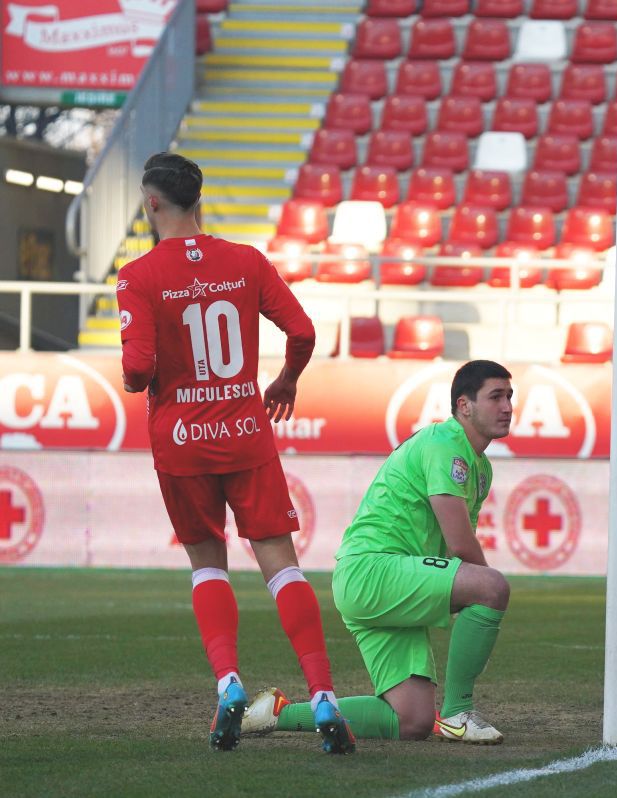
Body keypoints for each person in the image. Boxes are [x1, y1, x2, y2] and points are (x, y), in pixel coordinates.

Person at [117, 152, 354, 754]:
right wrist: (286, 381)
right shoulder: (245, 261)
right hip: (246, 434)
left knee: (208, 567)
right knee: (283, 564)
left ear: (152, 204)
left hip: (182, 446)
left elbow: (140, 370)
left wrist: (136, 374)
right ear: (198, 201)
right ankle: (324, 693)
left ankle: (228, 684)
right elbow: (301, 332)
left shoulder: (138, 275)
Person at [241, 360, 513, 744]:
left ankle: (275, 715)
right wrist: (481, 590)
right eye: (496, 397)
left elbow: (454, 549)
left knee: (412, 721)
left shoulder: (480, 467)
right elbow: (459, 542)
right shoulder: (445, 443)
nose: (507, 407)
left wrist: (471, 589)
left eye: (510, 397)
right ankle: (458, 713)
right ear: (464, 406)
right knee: (492, 587)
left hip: (382, 576)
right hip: (374, 570)